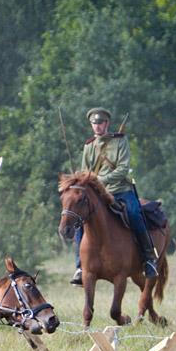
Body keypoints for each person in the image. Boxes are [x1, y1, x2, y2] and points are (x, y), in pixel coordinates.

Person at [71, 108, 158, 285]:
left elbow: (123, 169)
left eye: (100, 123)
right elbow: (85, 172)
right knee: (80, 220)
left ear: (107, 123)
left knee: (134, 214)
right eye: (94, 123)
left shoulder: (120, 141)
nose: (97, 126)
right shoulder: (89, 146)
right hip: (97, 194)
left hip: (120, 190)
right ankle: (80, 267)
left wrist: (99, 180)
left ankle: (149, 258)